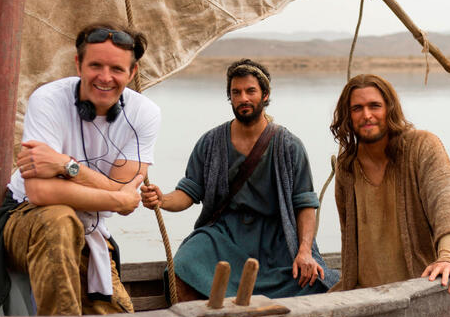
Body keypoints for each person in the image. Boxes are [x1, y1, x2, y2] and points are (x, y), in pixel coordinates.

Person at [0, 23, 161, 316]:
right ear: (78, 64)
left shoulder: (144, 114)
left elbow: (126, 196)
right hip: (24, 217)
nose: (105, 77)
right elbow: (39, 191)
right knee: (59, 220)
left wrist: (66, 166)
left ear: (132, 73)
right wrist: (116, 198)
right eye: (95, 65)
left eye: (117, 69)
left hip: (89, 228)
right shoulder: (48, 100)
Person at [141, 59, 338, 301]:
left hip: (275, 241)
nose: (243, 98)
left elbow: (305, 204)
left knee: (313, 280)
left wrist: (304, 251)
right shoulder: (211, 142)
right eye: (236, 92)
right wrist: (162, 200)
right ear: (230, 97)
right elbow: (189, 192)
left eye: (250, 91)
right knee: (182, 267)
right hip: (223, 234)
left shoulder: (289, 146)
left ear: (265, 95)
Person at [329, 74, 450, 293]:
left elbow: (446, 206)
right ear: (348, 116)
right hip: (369, 292)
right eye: (357, 108)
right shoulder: (347, 165)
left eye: (375, 106)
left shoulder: (422, 146)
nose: (366, 115)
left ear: (390, 109)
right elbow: (348, 237)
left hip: (429, 283)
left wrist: (449, 256)